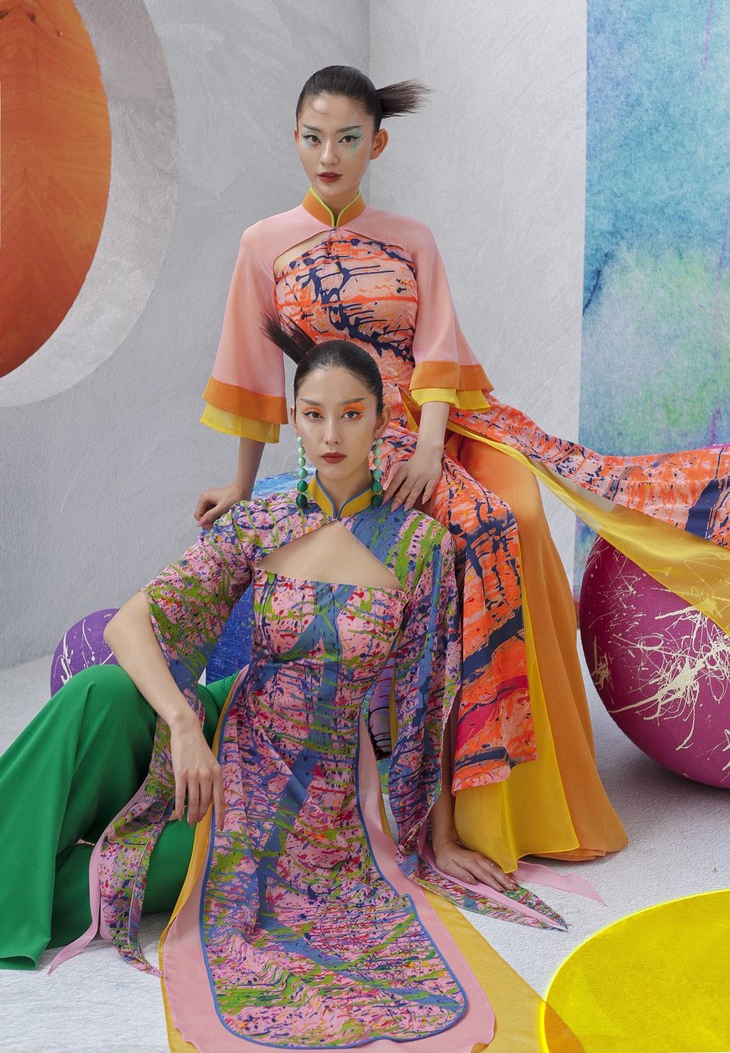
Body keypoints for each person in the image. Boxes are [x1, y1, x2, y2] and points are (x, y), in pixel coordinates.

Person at [195, 64, 730, 874]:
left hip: (440, 427)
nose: (328, 156)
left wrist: (433, 445)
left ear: (377, 144)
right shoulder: (263, 244)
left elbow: (439, 351)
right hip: (353, 436)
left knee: (526, 509)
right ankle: (485, 802)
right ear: (294, 138)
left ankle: (538, 782)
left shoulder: (411, 237)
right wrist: (241, 485)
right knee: (483, 528)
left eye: (347, 139)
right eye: (313, 137)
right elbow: (251, 374)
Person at [0, 339, 575, 1050]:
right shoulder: (260, 522)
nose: (331, 434)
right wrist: (183, 724)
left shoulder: (421, 546)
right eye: (313, 414)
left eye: (351, 414)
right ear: (295, 420)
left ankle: (25, 874)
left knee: (155, 878)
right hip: (229, 724)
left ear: (381, 419)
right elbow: (129, 624)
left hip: (320, 799)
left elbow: (429, 702)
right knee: (100, 692)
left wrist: (440, 836)